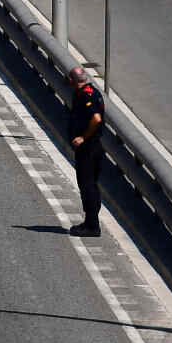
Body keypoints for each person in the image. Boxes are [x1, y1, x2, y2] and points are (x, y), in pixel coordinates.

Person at [66, 65, 105, 237]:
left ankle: (92, 226)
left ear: (72, 81)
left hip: (88, 148)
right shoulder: (93, 91)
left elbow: (96, 119)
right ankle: (91, 221)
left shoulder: (85, 95)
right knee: (92, 185)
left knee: (87, 185)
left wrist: (83, 137)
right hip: (96, 147)